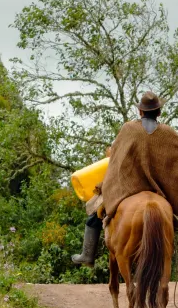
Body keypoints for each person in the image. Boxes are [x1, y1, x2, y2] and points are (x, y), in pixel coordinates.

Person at [71, 91, 166, 266]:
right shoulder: (166, 132)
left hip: (128, 185)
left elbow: (114, 152)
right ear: (159, 112)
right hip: (156, 186)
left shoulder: (129, 128)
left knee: (96, 210)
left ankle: (87, 254)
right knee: (169, 216)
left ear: (140, 112)